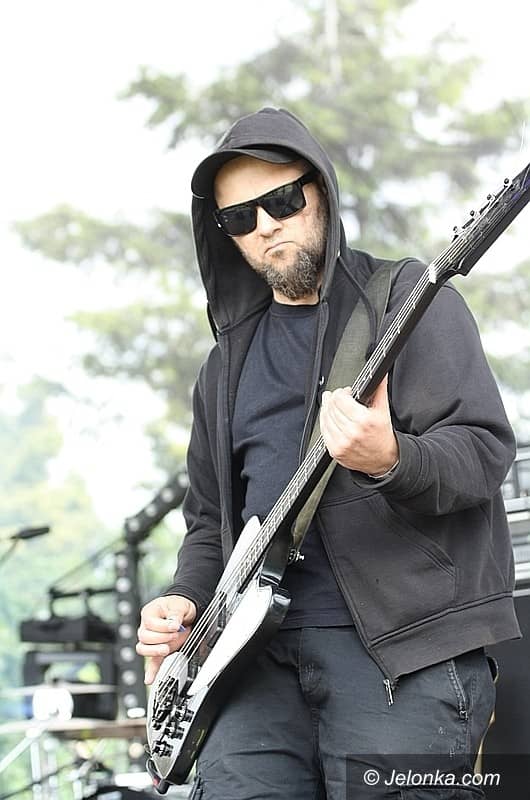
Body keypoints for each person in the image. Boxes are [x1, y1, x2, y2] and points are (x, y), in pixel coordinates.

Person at [136, 107, 520, 799]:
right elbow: (209, 522)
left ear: (321, 189)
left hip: (401, 658)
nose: (265, 226)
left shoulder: (410, 303)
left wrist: (391, 458)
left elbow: (483, 455)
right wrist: (184, 601)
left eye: (282, 201)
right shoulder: (224, 366)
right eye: (239, 218)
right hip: (249, 668)